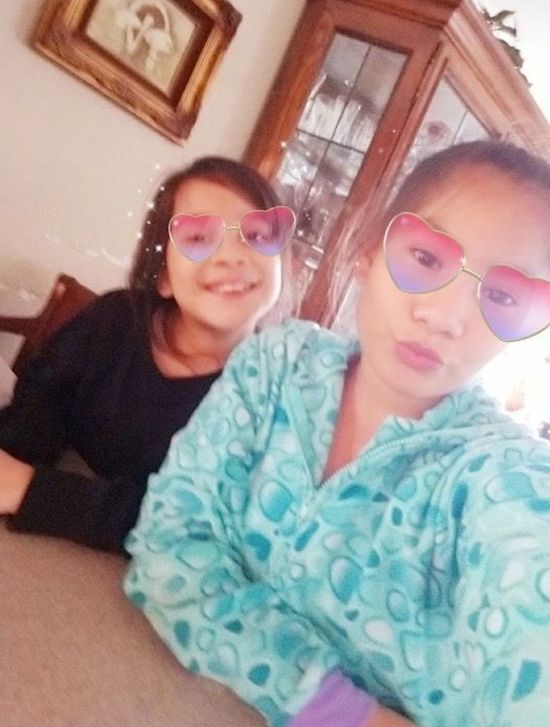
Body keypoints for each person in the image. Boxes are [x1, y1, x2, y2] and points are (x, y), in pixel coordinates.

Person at [124, 140, 550, 727]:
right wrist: (344, 712)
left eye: (503, 296)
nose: (446, 316)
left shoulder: (504, 479)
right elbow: (168, 543)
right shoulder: (277, 365)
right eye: (426, 258)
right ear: (368, 252)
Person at [0, 156, 295, 553]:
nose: (231, 256)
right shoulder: (113, 321)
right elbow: (39, 404)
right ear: (164, 275)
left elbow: (203, 526)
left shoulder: (275, 397)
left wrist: (31, 489)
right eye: (197, 238)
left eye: (257, 234)